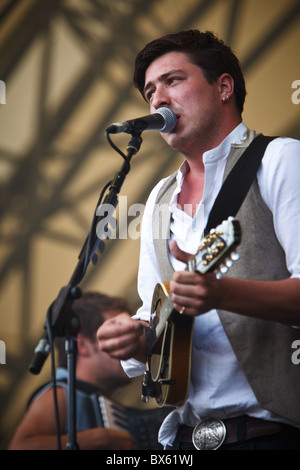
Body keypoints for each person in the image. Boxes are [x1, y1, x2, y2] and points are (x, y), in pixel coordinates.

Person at [96, 29, 300, 450]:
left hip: (275, 434)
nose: (157, 100)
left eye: (173, 81)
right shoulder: (158, 199)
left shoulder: (281, 159)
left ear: (223, 87)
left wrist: (221, 293)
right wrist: (136, 338)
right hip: (185, 440)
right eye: (150, 91)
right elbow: (155, 307)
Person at [8, 291, 137, 450]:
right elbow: (19, 447)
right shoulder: (60, 393)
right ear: (82, 345)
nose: (130, 345)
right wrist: (99, 439)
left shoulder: (101, 401)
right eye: (115, 336)